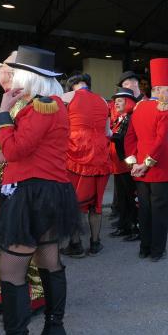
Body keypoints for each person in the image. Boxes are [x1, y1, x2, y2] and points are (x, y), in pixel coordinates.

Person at [0, 45, 80, 335]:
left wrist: (2, 113)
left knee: (10, 269)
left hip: (30, 194)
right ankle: (55, 327)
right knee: (48, 259)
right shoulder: (51, 104)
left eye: (14, 73)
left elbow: (18, 149)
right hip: (50, 192)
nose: (10, 78)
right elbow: (36, 147)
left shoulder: (42, 106)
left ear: (28, 78)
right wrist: (2, 154)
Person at [0, 51, 45, 317]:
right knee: (5, 244)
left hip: (14, 185)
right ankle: (7, 295)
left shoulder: (25, 104)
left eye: (5, 65)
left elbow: (15, 150)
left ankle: (32, 298)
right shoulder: (11, 100)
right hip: (1, 183)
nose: (0, 68)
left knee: (22, 246)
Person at [124, 58, 168, 262]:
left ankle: (144, 248)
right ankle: (156, 250)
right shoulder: (164, 109)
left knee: (144, 210)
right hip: (159, 168)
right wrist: (145, 164)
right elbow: (161, 141)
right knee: (160, 212)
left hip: (139, 169)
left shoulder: (139, 108)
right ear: (159, 89)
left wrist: (134, 164)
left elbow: (129, 138)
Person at [60, 72, 112, 258]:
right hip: (101, 157)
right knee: (96, 204)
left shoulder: (66, 98)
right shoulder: (102, 101)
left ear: (71, 86)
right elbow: (108, 132)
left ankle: (76, 245)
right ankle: (95, 243)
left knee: (76, 203)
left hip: (76, 155)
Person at [108, 88, 139, 241]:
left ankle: (134, 227)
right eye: (115, 101)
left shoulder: (131, 118)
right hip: (119, 166)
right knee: (122, 199)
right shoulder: (122, 118)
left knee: (130, 198)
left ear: (129, 102)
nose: (116, 104)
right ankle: (124, 226)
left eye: (119, 101)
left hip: (127, 166)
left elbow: (124, 140)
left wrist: (110, 135)